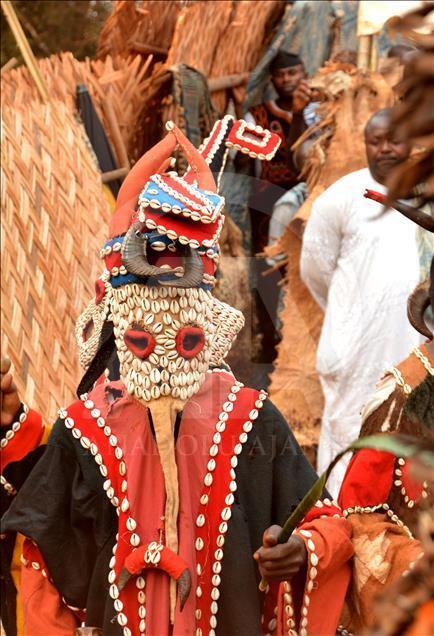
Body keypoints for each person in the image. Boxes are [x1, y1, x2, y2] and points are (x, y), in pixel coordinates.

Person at [1, 119, 353, 635]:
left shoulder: (251, 420)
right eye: (145, 331)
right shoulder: (84, 428)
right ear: (119, 321)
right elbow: (42, 553)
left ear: (207, 322)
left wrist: (301, 550)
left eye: (182, 330)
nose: (164, 345)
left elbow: (326, 521)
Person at [300, 107, 434, 497]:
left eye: (394, 140)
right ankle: (332, 525)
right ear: (364, 144)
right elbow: (316, 270)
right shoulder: (340, 198)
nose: (386, 149)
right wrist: (350, 316)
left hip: (413, 344)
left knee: (408, 434)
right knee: (347, 431)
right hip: (353, 348)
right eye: (376, 141)